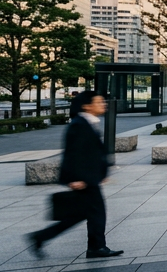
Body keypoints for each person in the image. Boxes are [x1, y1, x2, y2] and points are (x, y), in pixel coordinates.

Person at [28, 90, 123, 259]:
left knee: (80, 214)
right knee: (96, 213)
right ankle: (96, 247)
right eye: (99, 102)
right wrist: (74, 178)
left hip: (89, 177)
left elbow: (91, 153)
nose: (104, 104)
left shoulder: (87, 122)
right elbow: (72, 154)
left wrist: (102, 172)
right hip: (84, 179)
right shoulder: (79, 125)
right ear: (87, 106)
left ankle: (41, 237)